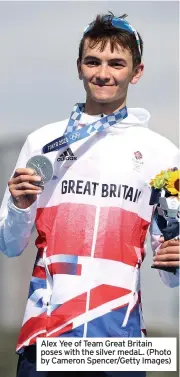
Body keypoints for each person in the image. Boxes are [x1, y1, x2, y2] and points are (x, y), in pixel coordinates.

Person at [0, 11, 179, 377]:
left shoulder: (164, 154)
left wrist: (176, 258)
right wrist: (19, 206)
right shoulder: (44, 144)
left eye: (117, 63)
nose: (103, 73)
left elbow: (170, 273)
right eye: (93, 61)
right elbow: (9, 245)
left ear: (137, 71)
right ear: (78, 66)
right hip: (47, 337)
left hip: (122, 342)